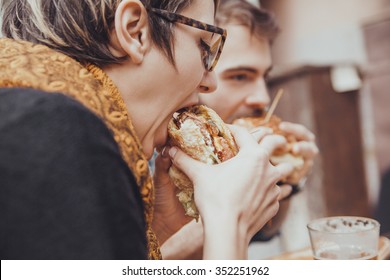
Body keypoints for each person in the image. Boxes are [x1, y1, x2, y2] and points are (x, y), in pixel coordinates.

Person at [0, 0, 293, 260]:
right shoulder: (49, 129)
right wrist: (230, 220)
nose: (209, 82)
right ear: (133, 31)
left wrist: (159, 229)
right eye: (205, 47)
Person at [161, 0, 319, 259]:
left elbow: (265, 233)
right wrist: (229, 213)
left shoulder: (241, 152)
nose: (262, 98)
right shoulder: (149, 153)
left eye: (264, 77)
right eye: (240, 76)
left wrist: (287, 179)